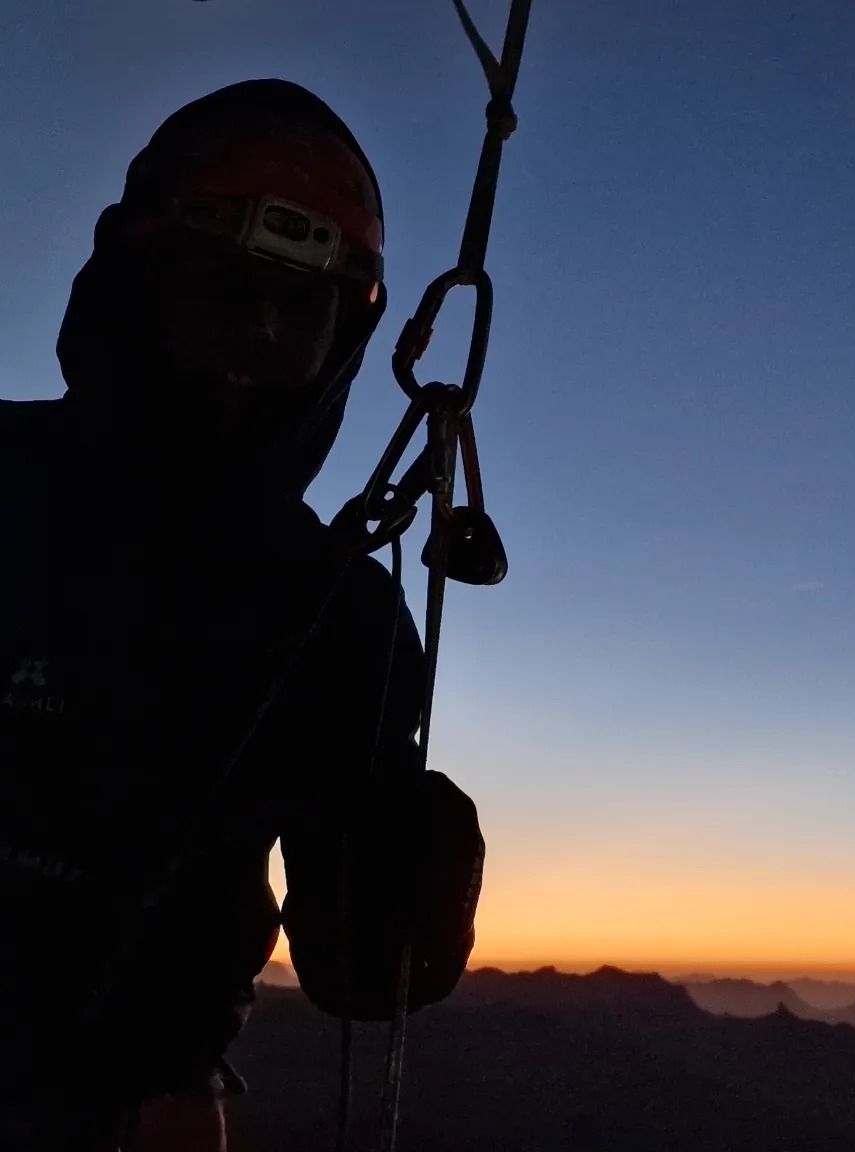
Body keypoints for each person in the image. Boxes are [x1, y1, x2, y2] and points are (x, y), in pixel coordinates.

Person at [0, 79, 486, 1150]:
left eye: (295, 313)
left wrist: (399, 882)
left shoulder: (338, 619)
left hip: (131, 1116)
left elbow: (358, 965)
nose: (250, 339)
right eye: (221, 291)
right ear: (137, 278)